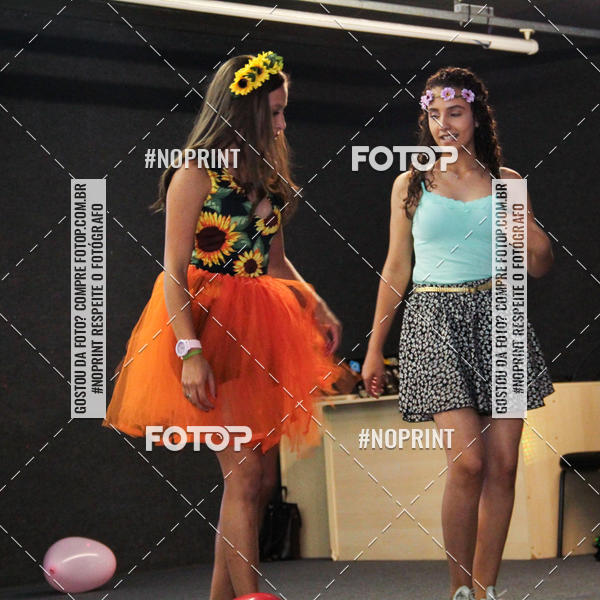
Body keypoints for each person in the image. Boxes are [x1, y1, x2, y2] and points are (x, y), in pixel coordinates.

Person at [102, 51, 350, 600]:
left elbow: (274, 262)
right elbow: (172, 271)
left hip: (259, 328)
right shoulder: (195, 174)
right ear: (245, 112)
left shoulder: (266, 178)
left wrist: (315, 304)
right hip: (207, 328)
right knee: (245, 476)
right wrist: (189, 352)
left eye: (283, 111)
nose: (282, 124)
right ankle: (253, 596)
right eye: (275, 112)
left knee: (252, 480)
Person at [361, 66, 555, 600]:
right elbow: (396, 267)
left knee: (504, 465)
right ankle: (459, 588)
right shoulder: (411, 182)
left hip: (501, 315)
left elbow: (539, 264)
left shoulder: (508, 182)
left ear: (476, 116)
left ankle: (486, 589)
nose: (444, 124)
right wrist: (374, 348)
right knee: (469, 463)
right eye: (434, 114)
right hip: (434, 317)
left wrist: (528, 230)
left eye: (456, 112)